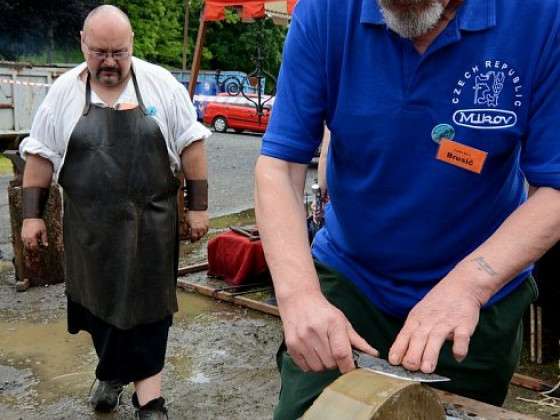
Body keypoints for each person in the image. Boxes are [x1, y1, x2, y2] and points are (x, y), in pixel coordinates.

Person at [254, 0, 560, 418]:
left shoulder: (541, 15)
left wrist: (468, 286)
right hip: (351, 281)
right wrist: (298, 296)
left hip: (479, 299)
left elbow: (556, 188)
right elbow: (280, 165)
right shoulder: (326, 9)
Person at [19, 5, 211, 419]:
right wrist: (31, 215)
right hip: (90, 230)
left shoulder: (160, 84)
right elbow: (40, 155)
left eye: (119, 53)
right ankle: (110, 373)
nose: (109, 62)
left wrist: (198, 208)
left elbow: (191, 144)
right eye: (100, 52)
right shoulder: (64, 91)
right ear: (83, 45)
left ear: (132, 46)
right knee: (100, 313)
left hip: (151, 226)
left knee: (150, 314)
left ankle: (151, 401)